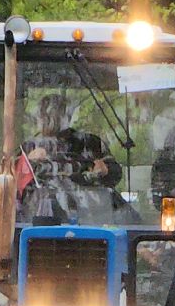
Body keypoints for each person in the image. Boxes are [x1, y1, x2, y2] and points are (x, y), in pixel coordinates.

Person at [21, 92, 122, 221]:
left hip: (91, 219)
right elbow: (14, 187)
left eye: (57, 115)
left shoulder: (89, 142)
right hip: (41, 220)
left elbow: (116, 174)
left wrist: (105, 169)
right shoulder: (29, 147)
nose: (51, 120)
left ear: (66, 117)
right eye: (45, 116)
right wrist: (27, 163)